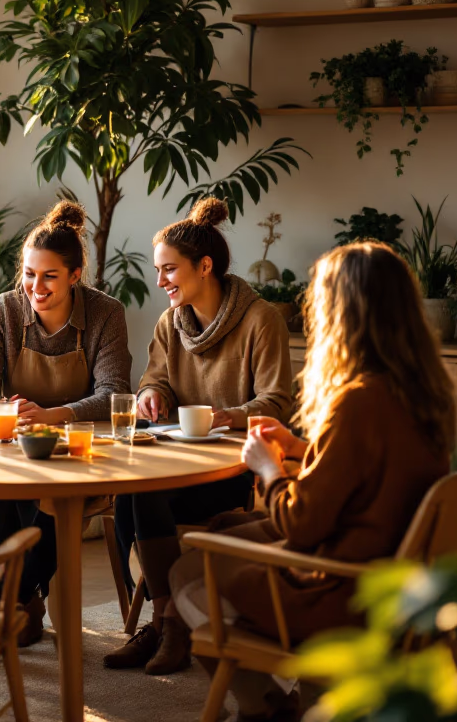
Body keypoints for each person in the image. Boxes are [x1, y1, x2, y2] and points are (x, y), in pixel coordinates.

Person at [168, 241, 456, 720]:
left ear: (344, 317)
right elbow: (371, 473)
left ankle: (265, 705)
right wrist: (302, 449)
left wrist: (268, 468)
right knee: (221, 533)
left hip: (340, 591)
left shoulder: (359, 400)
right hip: (387, 576)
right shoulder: (421, 392)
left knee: (186, 575)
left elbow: (303, 525)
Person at [105, 197, 293, 675]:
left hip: (229, 471)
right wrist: (151, 395)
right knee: (135, 488)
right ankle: (168, 620)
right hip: (173, 463)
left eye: (169, 270)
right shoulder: (171, 323)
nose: (160, 281)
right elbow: (154, 380)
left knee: (140, 493)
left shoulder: (261, 320)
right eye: (158, 270)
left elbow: (277, 402)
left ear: (204, 266)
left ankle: (164, 623)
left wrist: (228, 416)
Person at [0, 199, 133, 646]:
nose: (35, 287)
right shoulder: (5, 310)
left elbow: (114, 393)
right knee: (1, 496)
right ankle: (21, 605)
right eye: (28, 274)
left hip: (83, 454)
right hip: (19, 447)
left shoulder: (105, 313)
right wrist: (0, 407)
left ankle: (8, 601)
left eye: (49, 277)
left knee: (51, 501)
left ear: (75, 275)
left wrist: (52, 415)